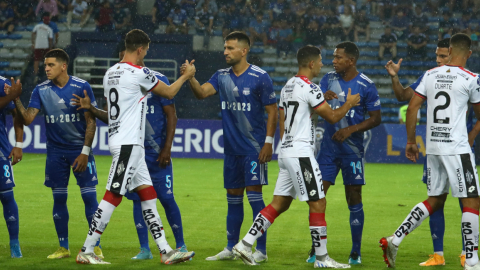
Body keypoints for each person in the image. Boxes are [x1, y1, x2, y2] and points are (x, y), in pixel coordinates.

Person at [74, 29, 196, 265]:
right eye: (145, 52)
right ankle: (86, 250)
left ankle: (165, 251)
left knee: (148, 195)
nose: (145, 56)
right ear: (140, 49)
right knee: (112, 195)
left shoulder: (110, 73)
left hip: (126, 143)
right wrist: (187, 76)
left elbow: (112, 112)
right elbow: (169, 92)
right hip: (129, 145)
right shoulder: (140, 72)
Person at [231, 45, 360, 268]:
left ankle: (245, 243)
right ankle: (322, 259)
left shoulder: (289, 85)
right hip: (301, 154)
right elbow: (331, 116)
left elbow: (286, 118)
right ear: (311, 64)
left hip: (286, 151)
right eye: (319, 61)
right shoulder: (311, 87)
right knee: (318, 203)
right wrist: (349, 103)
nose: (322, 64)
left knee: (279, 204)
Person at [379, 33, 480, 270]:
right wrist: (471, 137)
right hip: (457, 148)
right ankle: (472, 261)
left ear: (451, 50)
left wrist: (411, 141)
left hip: (433, 148)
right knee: (472, 202)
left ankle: (395, 239)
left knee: (434, 200)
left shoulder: (429, 75)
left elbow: (411, 105)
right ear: (469, 53)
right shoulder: (472, 78)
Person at [181, 31, 277, 263]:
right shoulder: (221, 75)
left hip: (253, 149)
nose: (225, 52)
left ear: (244, 51)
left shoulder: (260, 76)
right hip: (232, 151)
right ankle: (230, 247)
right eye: (225, 47)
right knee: (233, 198)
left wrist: (268, 143)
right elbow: (202, 93)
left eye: (230, 48)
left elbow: (273, 110)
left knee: (255, 197)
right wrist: (191, 78)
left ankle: (260, 250)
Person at [5, 49, 103, 260]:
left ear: (63, 66)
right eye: (45, 65)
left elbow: (91, 121)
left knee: (89, 198)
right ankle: (63, 248)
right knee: (59, 199)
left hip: (79, 150)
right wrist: (16, 99)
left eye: (50, 65)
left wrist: (85, 152)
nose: (46, 68)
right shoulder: (40, 90)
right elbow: (28, 119)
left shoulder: (81, 86)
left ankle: (95, 246)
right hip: (55, 152)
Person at [307, 41, 382, 265]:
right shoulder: (327, 79)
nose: (334, 60)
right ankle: (316, 248)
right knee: (317, 198)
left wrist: (351, 129)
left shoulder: (366, 85)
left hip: (352, 152)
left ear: (351, 61)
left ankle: (355, 251)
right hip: (328, 151)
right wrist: (323, 99)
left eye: (339, 57)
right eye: (333, 56)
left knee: (354, 198)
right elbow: (315, 108)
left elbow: (376, 118)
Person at [0, 76, 24, 259]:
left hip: (1, 151)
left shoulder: (2, 84)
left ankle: (14, 244)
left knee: (7, 196)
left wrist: (18, 144)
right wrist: (12, 96)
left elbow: (17, 114)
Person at [32, 14, 53, 95]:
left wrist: (33, 43)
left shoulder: (37, 26)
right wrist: (50, 48)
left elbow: (33, 34)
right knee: (46, 61)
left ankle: (35, 74)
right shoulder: (49, 29)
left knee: (36, 60)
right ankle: (46, 74)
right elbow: (50, 39)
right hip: (45, 46)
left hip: (38, 45)